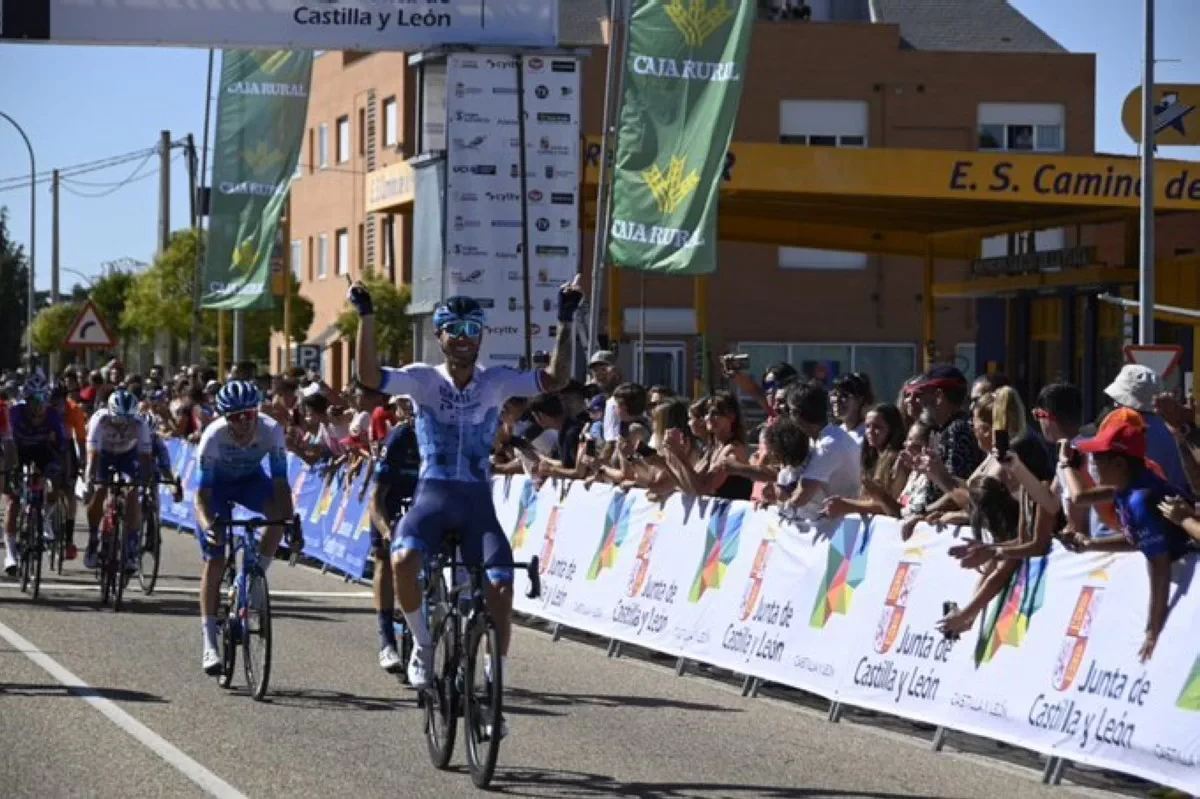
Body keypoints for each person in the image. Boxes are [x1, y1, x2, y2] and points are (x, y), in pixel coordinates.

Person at [350, 276, 580, 735]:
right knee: (402, 555)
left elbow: (556, 378)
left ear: (481, 336)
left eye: (471, 328)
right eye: (451, 328)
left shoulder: (495, 382)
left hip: (477, 504)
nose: (461, 336)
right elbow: (370, 377)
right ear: (439, 336)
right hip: (432, 496)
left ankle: (494, 690)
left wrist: (566, 320)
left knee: (500, 586)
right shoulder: (422, 380)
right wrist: (366, 317)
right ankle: (421, 645)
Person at [1060, 416, 1192, 662]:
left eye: (1098, 458)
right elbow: (1139, 540)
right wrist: (1090, 545)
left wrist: (1153, 630)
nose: (1092, 464)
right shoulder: (1124, 487)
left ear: (1119, 464)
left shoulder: (1139, 499)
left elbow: (1160, 569)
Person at [193, 381, 296, 675]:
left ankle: (256, 576)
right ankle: (210, 644)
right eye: (235, 416)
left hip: (251, 481)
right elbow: (202, 495)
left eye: (248, 415)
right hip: (217, 489)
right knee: (214, 558)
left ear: (257, 412)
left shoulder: (271, 430)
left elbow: (280, 483)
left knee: (277, 514)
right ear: (225, 417)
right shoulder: (213, 437)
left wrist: (288, 523)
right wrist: (208, 524)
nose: (242, 422)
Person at [368, 410, 421, 673]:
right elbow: (376, 498)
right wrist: (386, 531)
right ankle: (386, 641)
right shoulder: (400, 437)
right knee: (384, 560)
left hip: (423, 503)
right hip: (392, 501)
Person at [3, 374, 69, 576]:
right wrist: (8, 471)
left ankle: (45, 517)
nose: (39, 405)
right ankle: (10, 553)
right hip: (18, 451)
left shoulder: (52, 416)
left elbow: (62, 447)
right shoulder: (14, 413)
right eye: (34, 399)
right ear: (26, 400)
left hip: (42, 451)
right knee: (13, 500)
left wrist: (64, 472)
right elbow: (6, 444)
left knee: (56, 479)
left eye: (43, 399)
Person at [84, 390, 154, 571]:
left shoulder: (140, 424)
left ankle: (130, 546)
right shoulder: (99, 420)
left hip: (127, 456)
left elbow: (145, 457)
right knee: (99, 490)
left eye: (127, 420)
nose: (123, 425)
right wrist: (90, 478)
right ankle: (93, 539)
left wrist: (144, 483)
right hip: (103, 454)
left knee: (132, 491)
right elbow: (92, 455)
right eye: (119, 420)